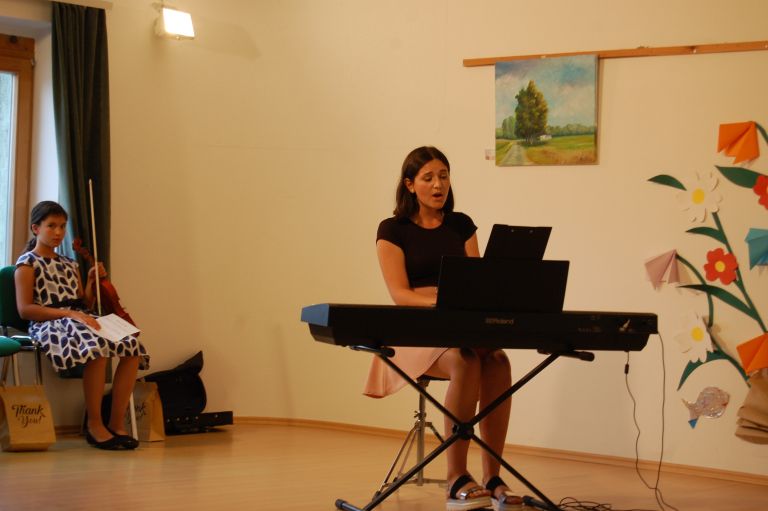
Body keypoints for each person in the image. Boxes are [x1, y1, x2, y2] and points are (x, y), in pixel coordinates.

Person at [364, 147, 523, 511]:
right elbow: (400, 294)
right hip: (415, 329)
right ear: (410, 185)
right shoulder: (392, 229)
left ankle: (493, 478)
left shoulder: (461, 225)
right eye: (429, 178)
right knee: (465, 361)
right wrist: (440, 301)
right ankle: (456, 478)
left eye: (444, 176)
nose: (438, 185)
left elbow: (477, 283)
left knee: (498, 361)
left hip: (458, 323)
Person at [14, 200, 149, 450]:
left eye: (62, 226)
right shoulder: (27, 264)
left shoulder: (70, 263)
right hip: (49, 322)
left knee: (132, 347)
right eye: (51, 226)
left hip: (79, 317)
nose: (58, 232)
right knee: (97, 348)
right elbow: (25, 309)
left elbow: (84, 302)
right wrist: (70, 314)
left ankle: (116, 423)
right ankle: (94, 425)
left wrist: (90, 281)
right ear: (36, 228)